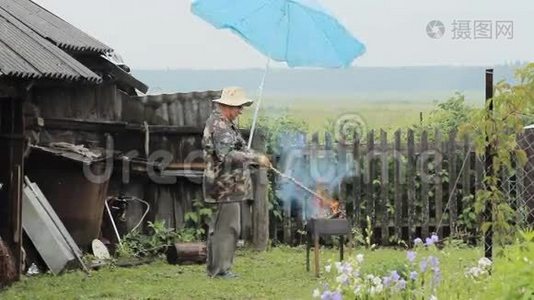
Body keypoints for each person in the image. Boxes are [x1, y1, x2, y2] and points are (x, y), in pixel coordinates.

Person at [202, 86, 270, 278]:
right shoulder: (219, 125)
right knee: (228, 228)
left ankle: (216, 269)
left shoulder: (226, 124)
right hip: (224, 186)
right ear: (228, 106)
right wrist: (256, 159)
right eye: (239, 106)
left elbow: (239, 148)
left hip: (228, 186)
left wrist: (257, 156)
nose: (241, 110)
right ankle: (221, 270)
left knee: (221, 228)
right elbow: (228, 155)